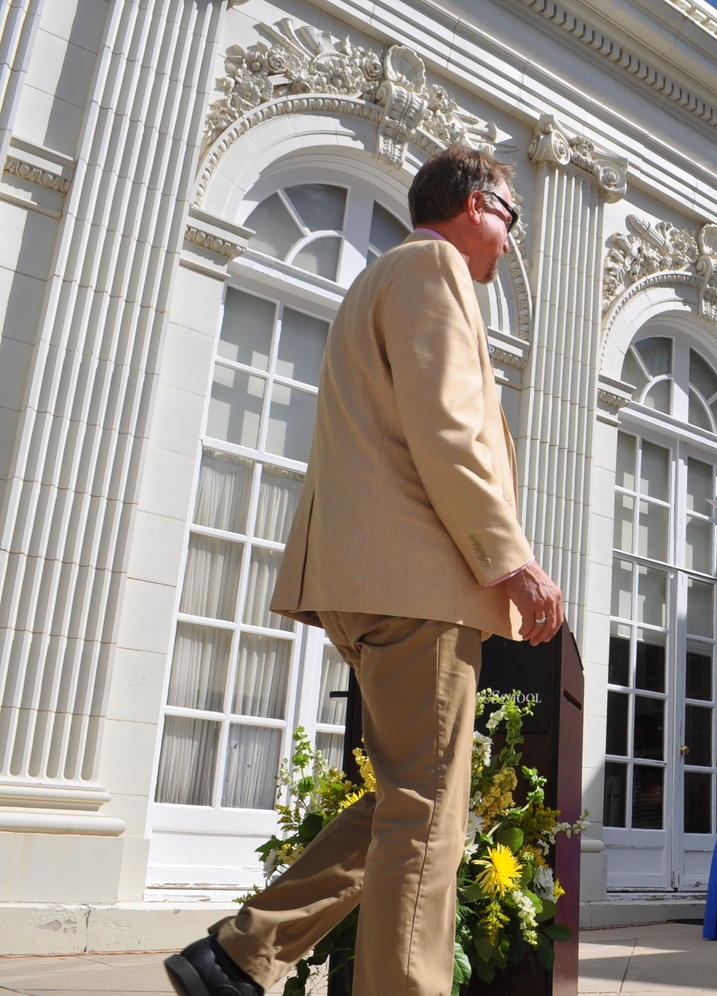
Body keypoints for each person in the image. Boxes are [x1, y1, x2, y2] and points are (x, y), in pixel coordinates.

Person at [163, 145, 565, 996]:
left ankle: (237, 956)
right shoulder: (433, 267)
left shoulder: (380, 278)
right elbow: (449, 431)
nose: (512, 242)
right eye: (511, 221)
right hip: (418, 583)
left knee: (404, 803)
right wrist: (512, 559)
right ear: (475, 203)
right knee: (426, 821)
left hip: (368, 582)